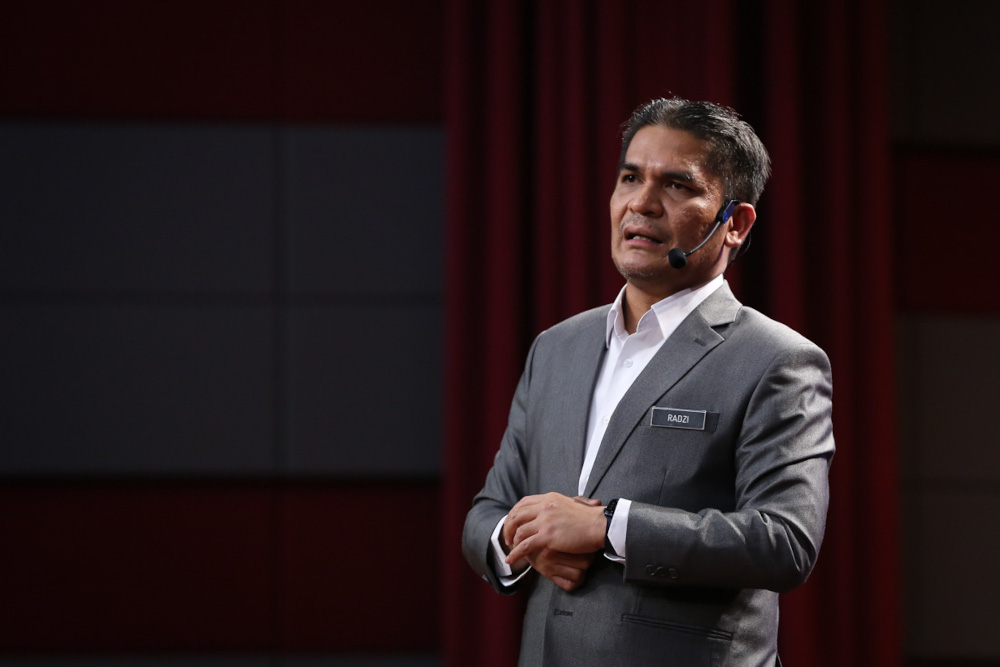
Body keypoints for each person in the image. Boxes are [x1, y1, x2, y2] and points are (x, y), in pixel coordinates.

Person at [462, 97, 834, 667]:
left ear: (733, 223)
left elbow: (784, 541)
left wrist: (611, 528)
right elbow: (489, 510)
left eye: (678, 185)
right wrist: (521, 540)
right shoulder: (556, 347)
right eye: (630, 177)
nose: (641, 202)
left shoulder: (777, 360)